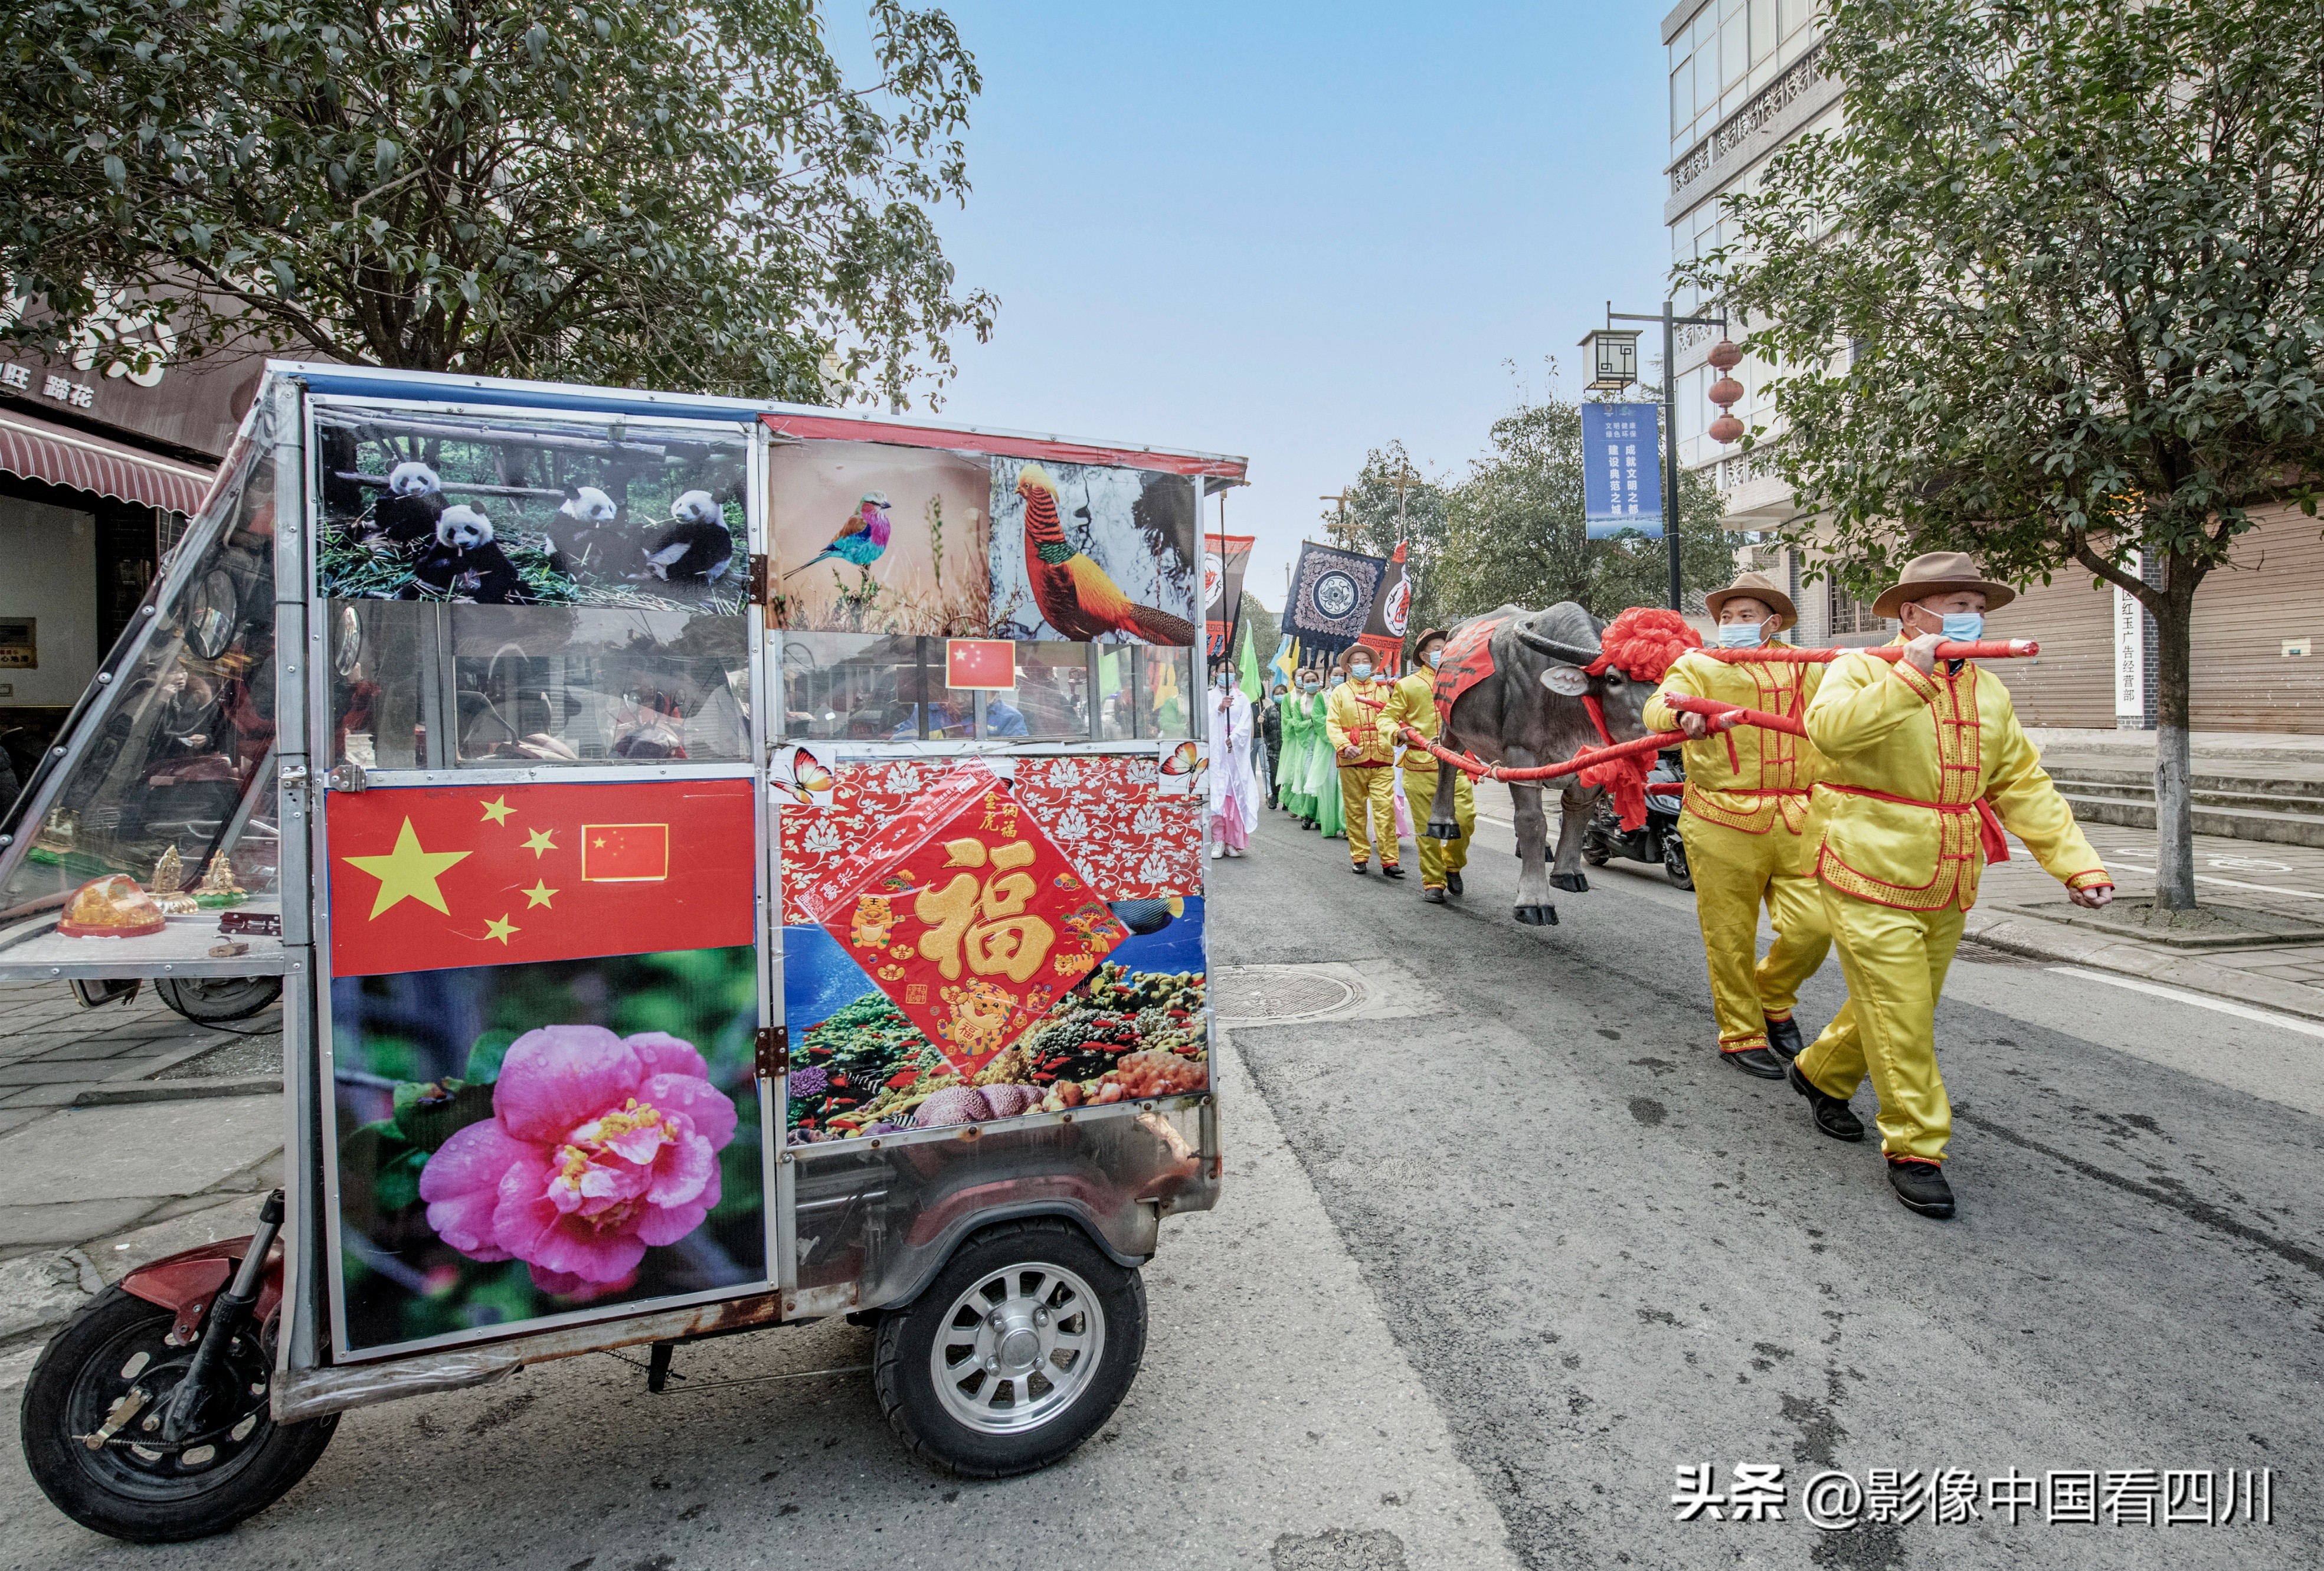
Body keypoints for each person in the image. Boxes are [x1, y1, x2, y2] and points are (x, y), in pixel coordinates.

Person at [1789, 552, 2113, 1221]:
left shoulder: (1988, 692)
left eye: (1976, 607)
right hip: (1865, 861)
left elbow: (2020, 783)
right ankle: (1915, 1147)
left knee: (1902, 1004)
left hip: (1947, 872)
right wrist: (1910, 677)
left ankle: (1819, 1071)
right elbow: (1828, 734)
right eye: (1956, 605)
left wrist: (2076, 863)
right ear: (1912, 613)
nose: (1970, 618)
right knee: (1901, 1012)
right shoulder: (1859, 668)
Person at [1641, 572, 1833, 1079]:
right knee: (1729, 935)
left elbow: (1846, 706)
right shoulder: (1697, 664)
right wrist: (1684, 717)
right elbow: (1659, 705)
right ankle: (1741, 1033)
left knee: (1814, 929)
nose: (1733, 625)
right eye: (1727, 617)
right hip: (1720, 818)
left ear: (1772, 622)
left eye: (1745, 617)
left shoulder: (1805, 667)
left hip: (1798, 818)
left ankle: (1772, 995)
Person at [1383, 627, 1474, 905]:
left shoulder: (1464, 681)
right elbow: (1386, 717)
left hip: (1456, 766)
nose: (1442, 652)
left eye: (1447, 646)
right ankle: (1433, 881)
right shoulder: (1408, 685)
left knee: (1466, 820)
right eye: (1437, 648)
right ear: (1424, 655)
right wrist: (1398, 732)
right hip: (1419, 768)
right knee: (1427, 829)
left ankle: (1453, 865)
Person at [1327, 648, 1402, 876]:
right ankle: (1359, 856)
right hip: (1353, 758)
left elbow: (1398, 715)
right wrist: (1343, 745)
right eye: (1356, 662)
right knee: (1355, 811)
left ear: (1373, 665)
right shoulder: (1340, 692)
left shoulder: (1384, 690)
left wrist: (1395, 692)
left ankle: (1390, 860)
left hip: (1381, 757)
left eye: (1365, 661)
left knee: (1384, 811)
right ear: (1348, 668)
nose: (1361, 664)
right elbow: (1332, 724)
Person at [1207, 668, 1259, 859]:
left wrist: (1235, 738)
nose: (1227, 674)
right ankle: (1217, 840)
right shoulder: (1209, 697)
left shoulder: (1243, 698)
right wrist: (1219, 709)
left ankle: (1232, 841)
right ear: (1215, 673)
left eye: (1230, 671)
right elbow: (1206, 720)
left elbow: (1246, 725)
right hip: (1217, 753)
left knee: (1235, 796)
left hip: (1234, 753)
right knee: (1217, 796)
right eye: (1223, 671)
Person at [1279, 670, 1320, 824]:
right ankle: (1299, 806)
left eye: (1312, 680)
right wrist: (1308, 724)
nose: (1309, 683)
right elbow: (1289, 720)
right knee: (1299, 774)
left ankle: (1317, 813)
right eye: (1305, 680)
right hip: (1298, 739)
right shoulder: (1293, 700)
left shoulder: (1323, 698)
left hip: (1321, 740)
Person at [1260, 683, 1286, 809]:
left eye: (1282, 693)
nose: (1280, 696)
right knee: (1274, 773)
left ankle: (1287, 800)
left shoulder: (1290, 708)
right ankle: (1274, 798)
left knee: (1287, 775)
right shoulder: (1268, 710)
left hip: (1287, 748)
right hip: (1273, 748)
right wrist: (1262, 721)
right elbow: (1265, 730)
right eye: (1277, 694)